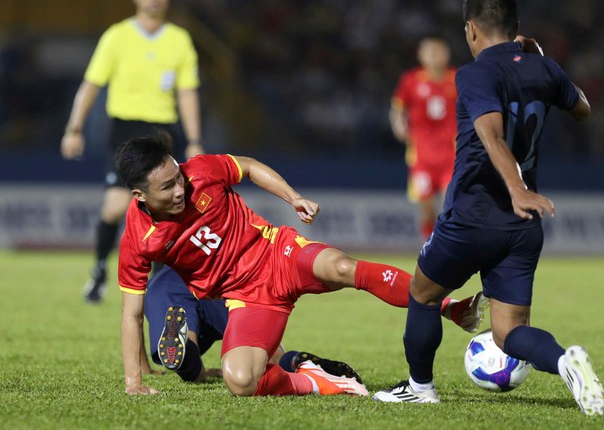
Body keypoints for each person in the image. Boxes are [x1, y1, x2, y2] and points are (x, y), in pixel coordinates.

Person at [373, 0, 604, 416]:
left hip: (475, 213)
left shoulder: (474, 73)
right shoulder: (546, 69)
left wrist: (516, 189)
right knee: (508, 331)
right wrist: (542, 62)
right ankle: (564, 360)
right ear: (517, 27)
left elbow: (490, 133)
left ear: (472, 30)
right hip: (522, 227)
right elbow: (583, 108)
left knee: (422, 294)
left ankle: (419, 387)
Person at [115, 132, 487, 397]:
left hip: (277, 252)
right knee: (239, 380)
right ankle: (315, 380)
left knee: (342, 267)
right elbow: (131, 313)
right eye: (167, 187)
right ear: (139, 195)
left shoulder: (200, 171)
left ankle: (449, 308)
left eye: (177, 177)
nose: (180, 189)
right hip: (246, 297)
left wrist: (294, 198)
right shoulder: (137, 239)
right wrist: (134, 381)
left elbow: (248, 166)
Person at [60, 0, 204, 303]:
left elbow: (188, 92)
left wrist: (195, 137)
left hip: (163, 132)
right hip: (124, 131)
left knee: (167, 211)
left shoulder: (179, 40)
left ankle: (160, 285)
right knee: (114, 208)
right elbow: (91, 84)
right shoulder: (117, 36)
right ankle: (99, 269)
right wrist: (74, 128)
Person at [142, 265, 363, 384]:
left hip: (163, 290)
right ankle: (297, 362)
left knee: (191, 366)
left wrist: (142, 370)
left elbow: (131, 315)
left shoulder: (143, 239)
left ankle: (184, 351)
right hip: (210, 280)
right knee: (267, 354)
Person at [389, 36, 458, 240]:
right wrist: (398, 126)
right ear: (421, 55)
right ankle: (429, 244)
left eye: (439, 51)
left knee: (450, 203)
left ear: (447, 54)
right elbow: (397, 109)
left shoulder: (456, 78)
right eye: (430, 51)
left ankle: (448, 246)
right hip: (422, 157)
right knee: (426, 207)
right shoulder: (411, 80)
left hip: (451, 155)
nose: (435, 56)